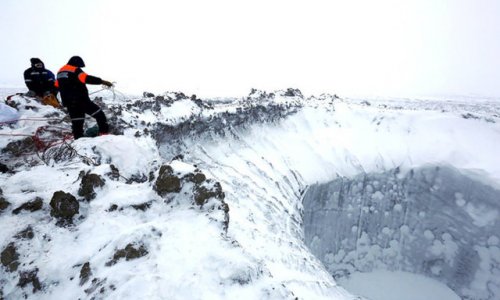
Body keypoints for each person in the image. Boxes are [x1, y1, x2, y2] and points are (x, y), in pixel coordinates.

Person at [55, 56, 113, 139]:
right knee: (100, 115)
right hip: (81, 100)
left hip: (69, 103)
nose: (79, 67)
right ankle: (104, 136)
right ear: (77, 63)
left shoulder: (60, 72)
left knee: (77, 124)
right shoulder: (75, 69)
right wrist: (102, 81)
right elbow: (86, 78)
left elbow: (57, 85)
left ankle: (79, 144)